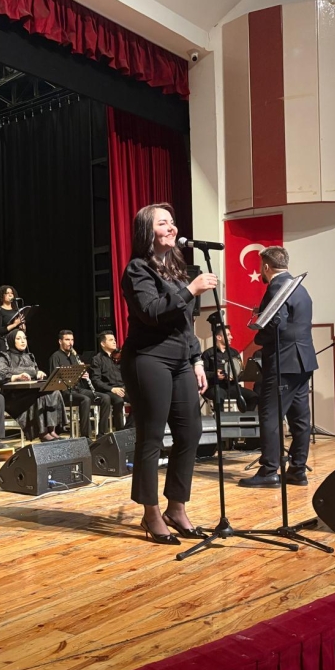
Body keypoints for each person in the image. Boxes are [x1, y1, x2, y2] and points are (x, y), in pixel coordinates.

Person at [120, 203, 216, 545]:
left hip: (180, 360)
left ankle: (177, 508)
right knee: (152, 437)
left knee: (190, 432)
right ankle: (151, 513)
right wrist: (191, 290)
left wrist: (197, 360)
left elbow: (185, 324)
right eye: (163, 223)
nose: (172, 228)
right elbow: (152, 312)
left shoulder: (176, 270)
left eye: (172, 222)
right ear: (148, 231)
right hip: (148, 358)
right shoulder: (137, 270)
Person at [239, 246, 318, 488]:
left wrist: (258, 337)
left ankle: (269, 470)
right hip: (303, 360)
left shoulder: (276, 287)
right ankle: (297, 470)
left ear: (266, 267)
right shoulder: (300, 288)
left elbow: (276, 324)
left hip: (283, 361)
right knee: (300, 418)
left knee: (270, 415)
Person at [0, 330, 65, 441]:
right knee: (40, 397)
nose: (23, 341)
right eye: (18, 339)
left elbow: (35, 371)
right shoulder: (4, 356)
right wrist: (16, 377)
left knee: (54, 392)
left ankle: (52, 430)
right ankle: (43, 432)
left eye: (24, 338)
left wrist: (38, 373)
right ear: (11, 341)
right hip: (14, 396)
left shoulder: (29, 356)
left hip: (30, 391)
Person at [48, 329, 110, 437]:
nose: (70, 343)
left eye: (72, 340)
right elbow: (56, 380)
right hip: (64, 392)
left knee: (105, 398)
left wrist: (82, 374)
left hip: (77, 389)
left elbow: (78, 378)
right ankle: (85, 436)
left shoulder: (74, 356)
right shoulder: (55, 357)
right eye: (67, 340)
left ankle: (102, 433)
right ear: (60, 341)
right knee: (85, 400)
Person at [202, 326, 257, 411]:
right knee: (218, 397)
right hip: (215, 387)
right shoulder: (208, 354)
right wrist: (215, 375)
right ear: (219, 337)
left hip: (232, 387)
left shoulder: (234, 353)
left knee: (253, 397)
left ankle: (245, 418)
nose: (231, 337)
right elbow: (202, 373)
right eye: (228, 335)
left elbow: (241, 372)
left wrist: (233, 376)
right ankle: (221, 418)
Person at [90, 331, 132, 430]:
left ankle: (129, 427)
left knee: (139, 399)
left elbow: (126, 375)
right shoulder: (97, 359)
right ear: (103, 343)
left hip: (122, 388)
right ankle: (119, 430)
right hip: (108, 390)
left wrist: (124, 387)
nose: (114, 342)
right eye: (111, 340)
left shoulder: (118, 357)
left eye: (114, 340)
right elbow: (96, 381)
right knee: (118, 400)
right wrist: (112, 389)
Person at [0, 285, 25, 352]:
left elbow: (22, 329)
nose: (10, 295)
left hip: (17, 342)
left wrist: (23, 327)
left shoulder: (17, 310)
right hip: (5, 343)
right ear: (2, 296)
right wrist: (14, 325)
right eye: (7, 293)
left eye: (12, 293)